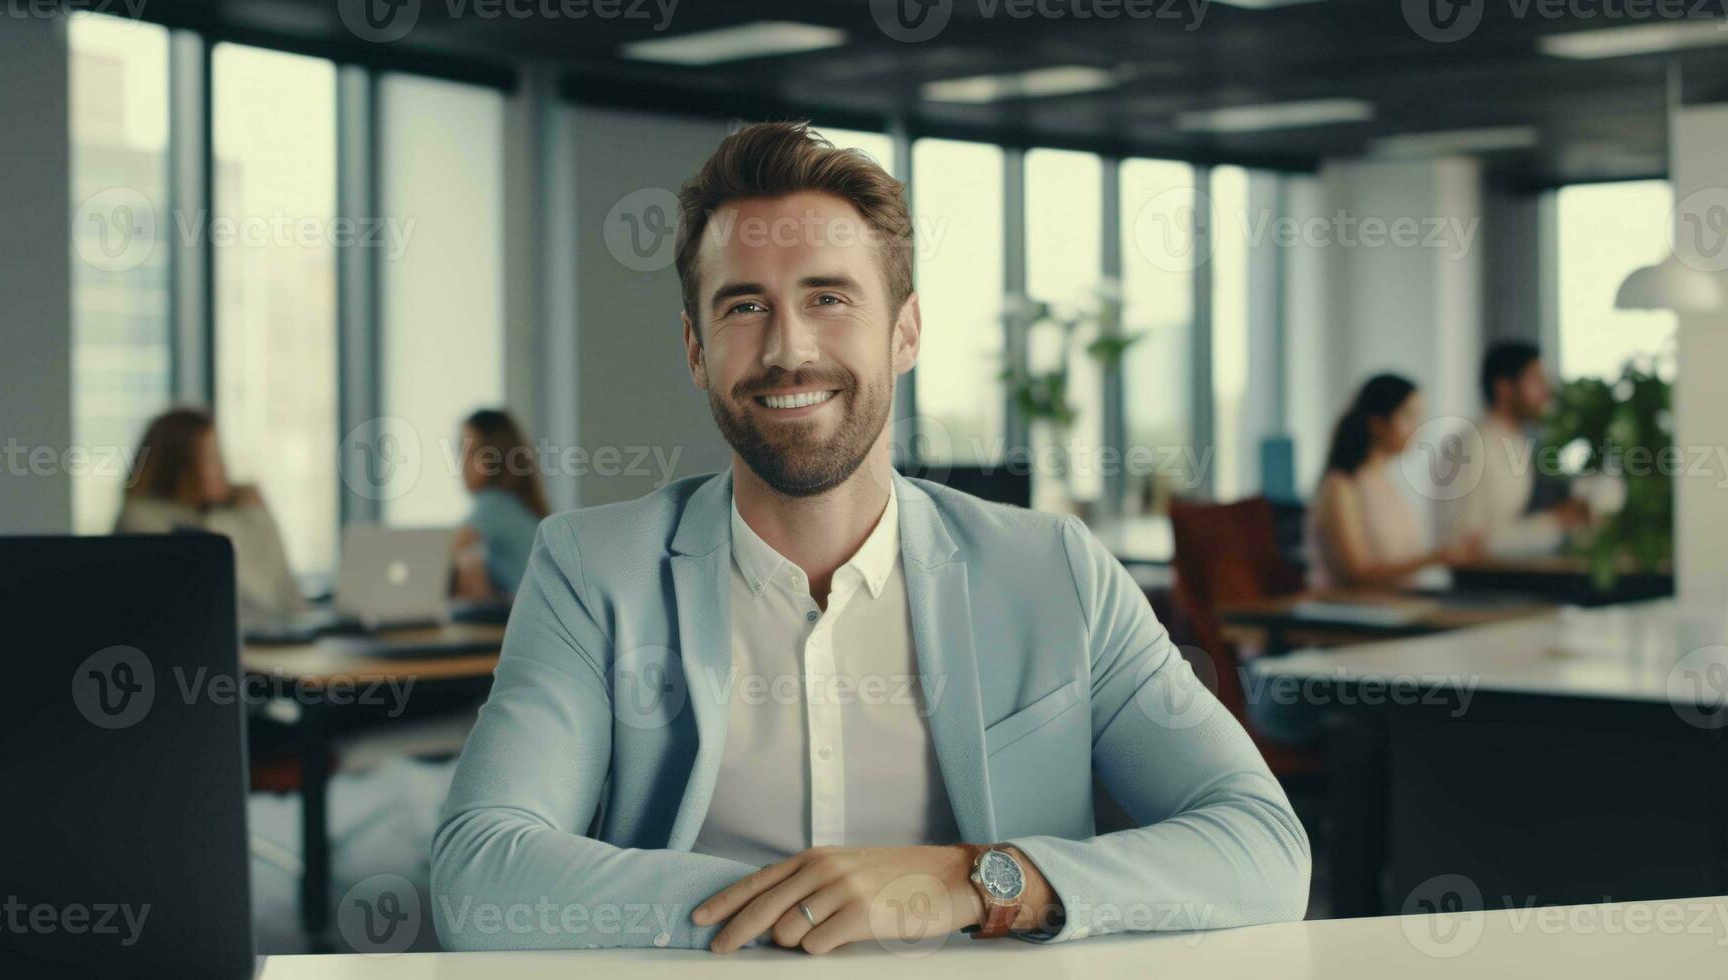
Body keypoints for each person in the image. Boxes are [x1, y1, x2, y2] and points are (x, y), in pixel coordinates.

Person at [431, 122, 1310, 955]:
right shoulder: (594, 570)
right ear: (696, 349)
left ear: (905, 331)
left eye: (828, 297)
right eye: (744, 307)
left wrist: (971, 883)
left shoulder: (1054, 571)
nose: (788, 348)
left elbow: (1262, 849)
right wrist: (799, 911)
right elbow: (478, 875)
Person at [114, 407, 306, 622]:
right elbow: (241, 590)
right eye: (212, 458)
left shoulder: (225, 514)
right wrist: (253, 515)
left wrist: (256, 513)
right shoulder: (142, 519)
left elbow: (286, 595)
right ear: (180, 468)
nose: (224, 467)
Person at [1306, 374, 1481, 591]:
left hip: (1395, 604)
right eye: (1408, 417)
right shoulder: (1340, 487)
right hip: (1356, 612)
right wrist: (1435, 558)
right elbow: (1355, 575)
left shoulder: (1386, 482)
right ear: (1378, 423)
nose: (1418, 429)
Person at [1434, 342, 1589, 558]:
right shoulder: (1469, 446)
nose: (1547, 390)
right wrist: (1554, 522)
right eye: (1536, 380)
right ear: (1504, 387)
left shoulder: (1517, 442)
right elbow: (1465, 543)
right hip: (1477, 584)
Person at [450, 409, 548, 600]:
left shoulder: (495, 502)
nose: (461, 463)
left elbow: (445, 552)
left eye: (470, 453)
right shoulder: (519, 504)